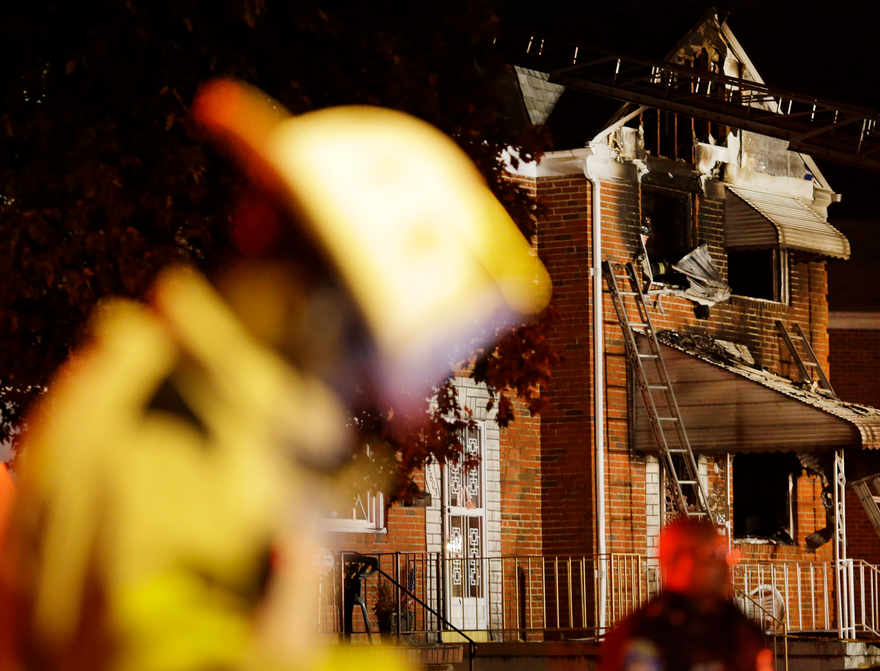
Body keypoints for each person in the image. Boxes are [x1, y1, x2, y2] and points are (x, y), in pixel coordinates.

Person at [0, 80, 550, 671]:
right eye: (367, 371)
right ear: (320, 315)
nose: (358, 406)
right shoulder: (172, 439)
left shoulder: (196, 411)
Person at [599, 520, 773, 671]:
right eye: (715, 554)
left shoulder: (735, 624)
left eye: (726, 554)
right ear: (680, 561)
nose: (725, 565)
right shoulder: (646, 635)